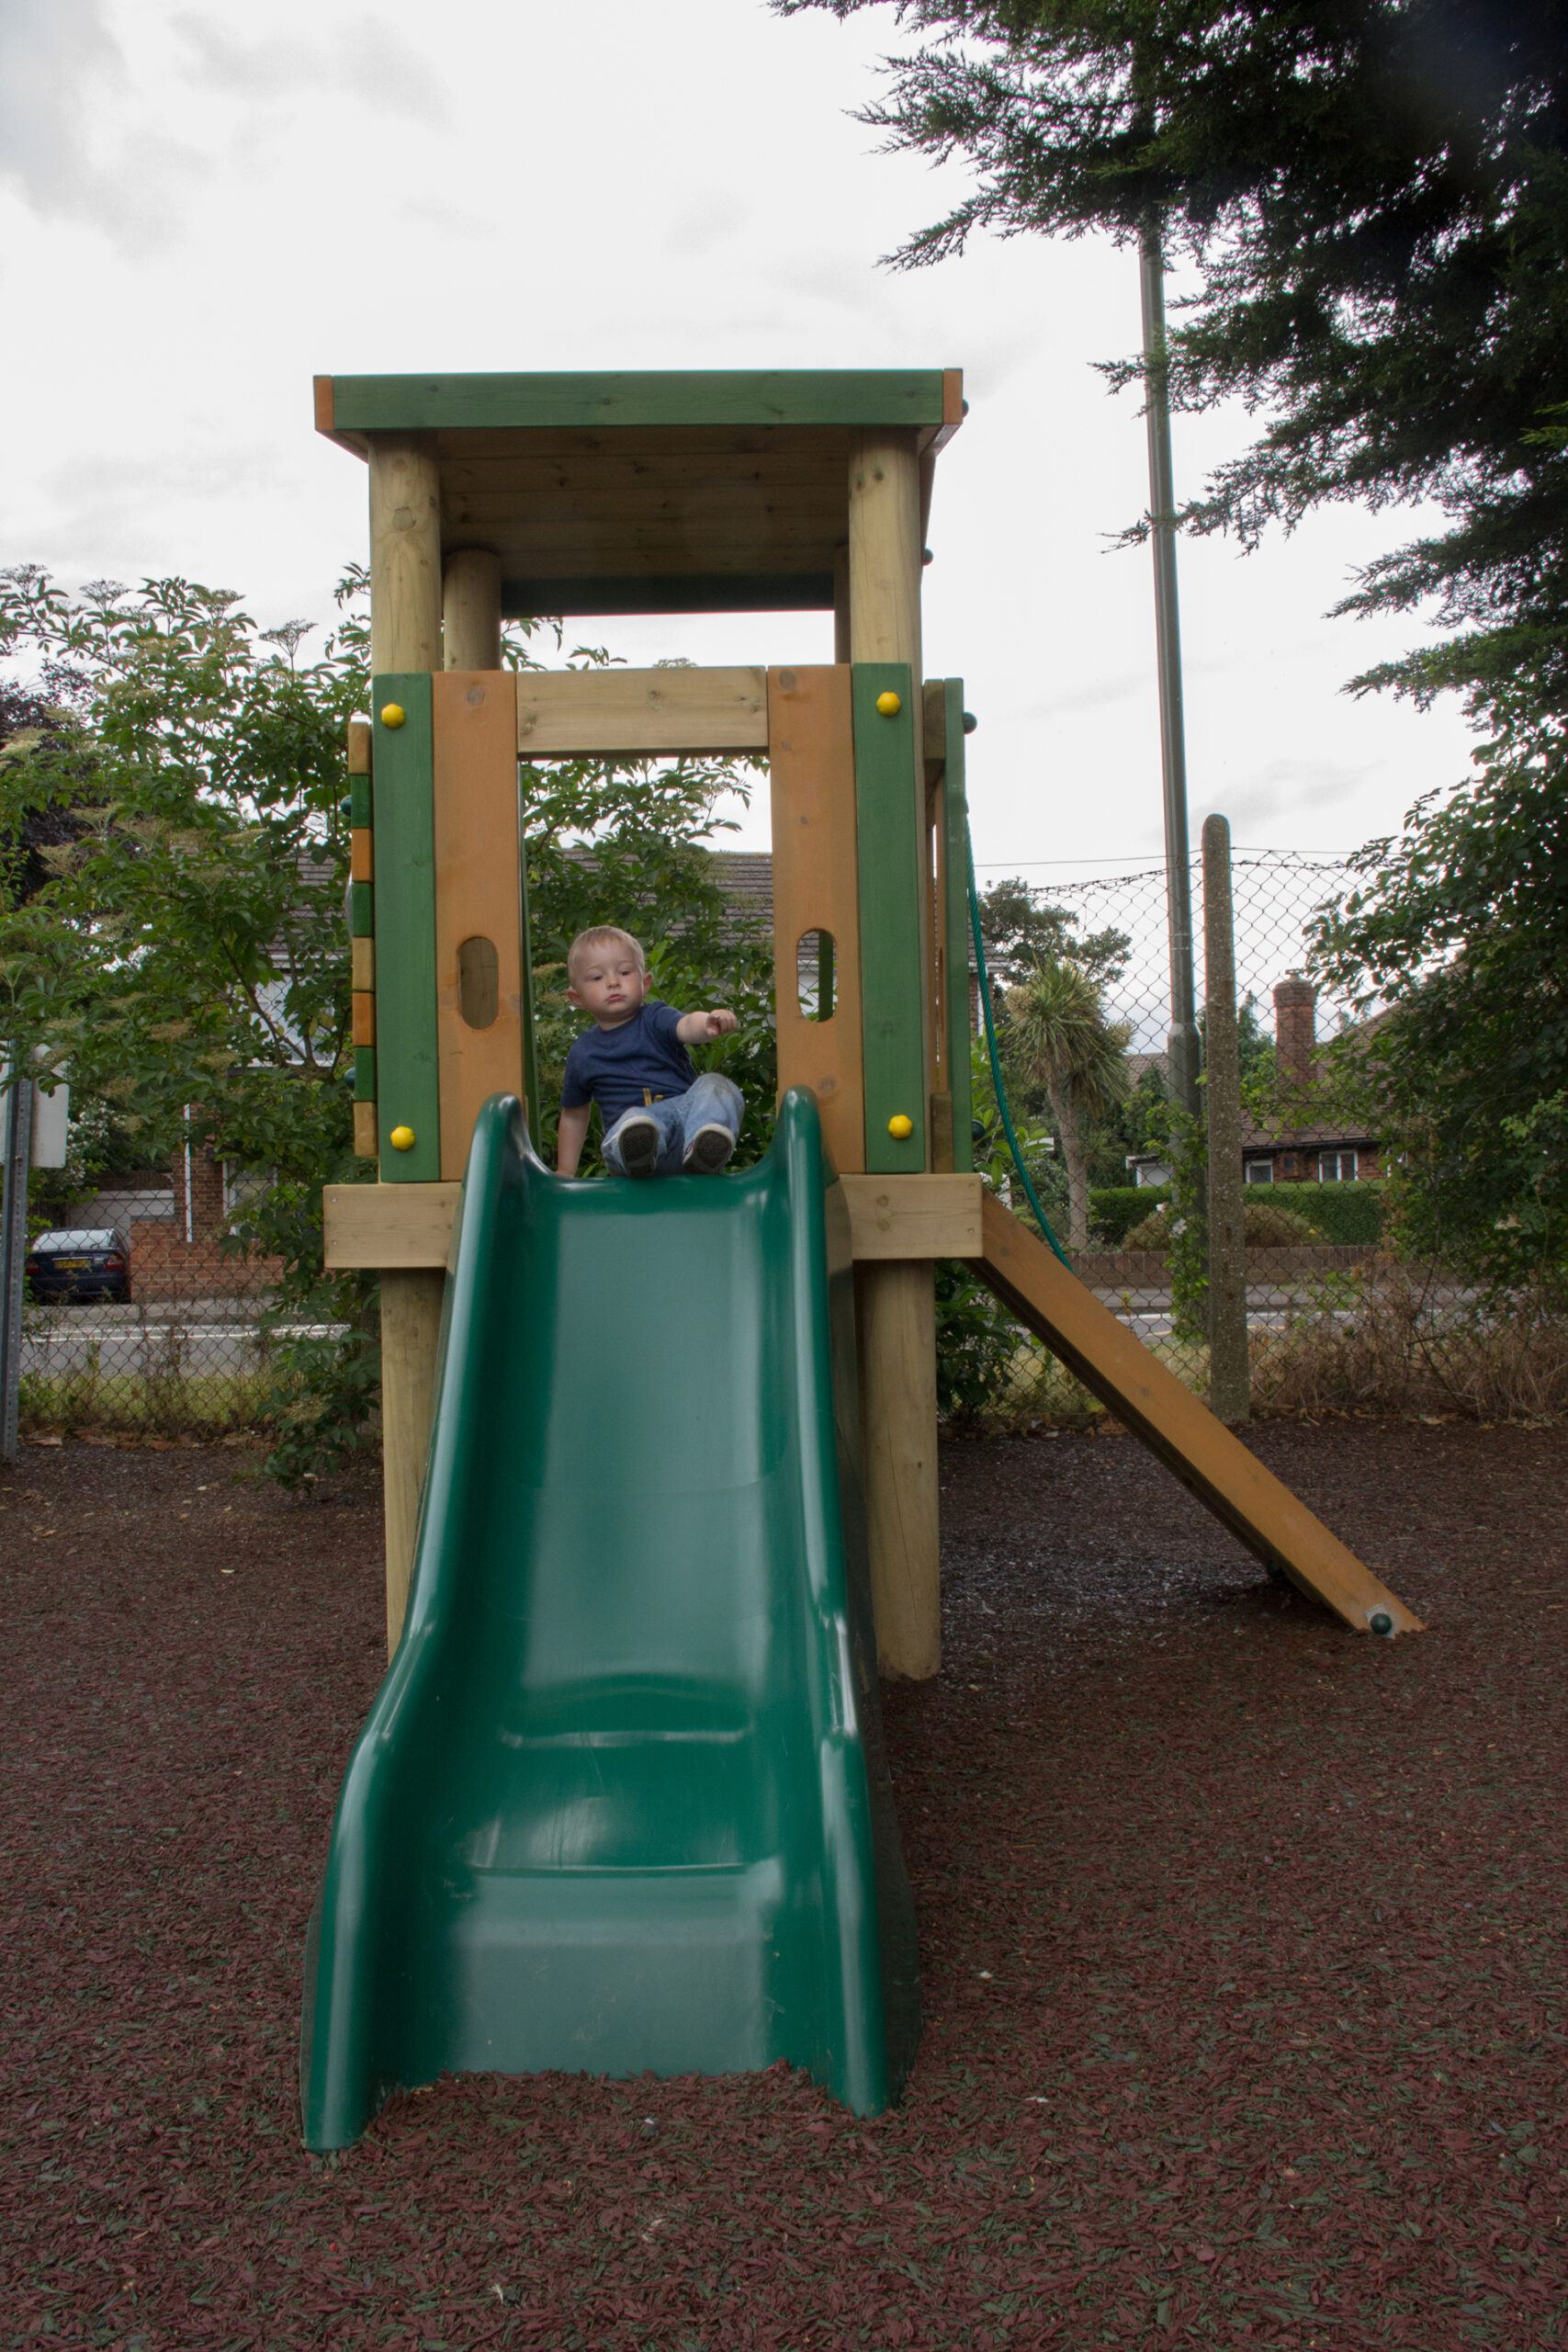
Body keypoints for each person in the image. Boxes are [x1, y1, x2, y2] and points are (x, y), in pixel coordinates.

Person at [556, 925, 744, 1178]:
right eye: (597, 977)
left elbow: (686, 1025)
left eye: (624, 972)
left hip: (682, 1136)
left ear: (645, 983)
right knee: (635, 1121)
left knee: (716, 1085)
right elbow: (574, 1116)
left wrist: (707, 1022)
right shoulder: (583, 1053)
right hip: (627, 1143)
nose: (613, 982)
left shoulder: (656, 1018)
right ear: (576, 998)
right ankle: (639, 1151)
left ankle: (703, 1147)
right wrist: (566, 1170)